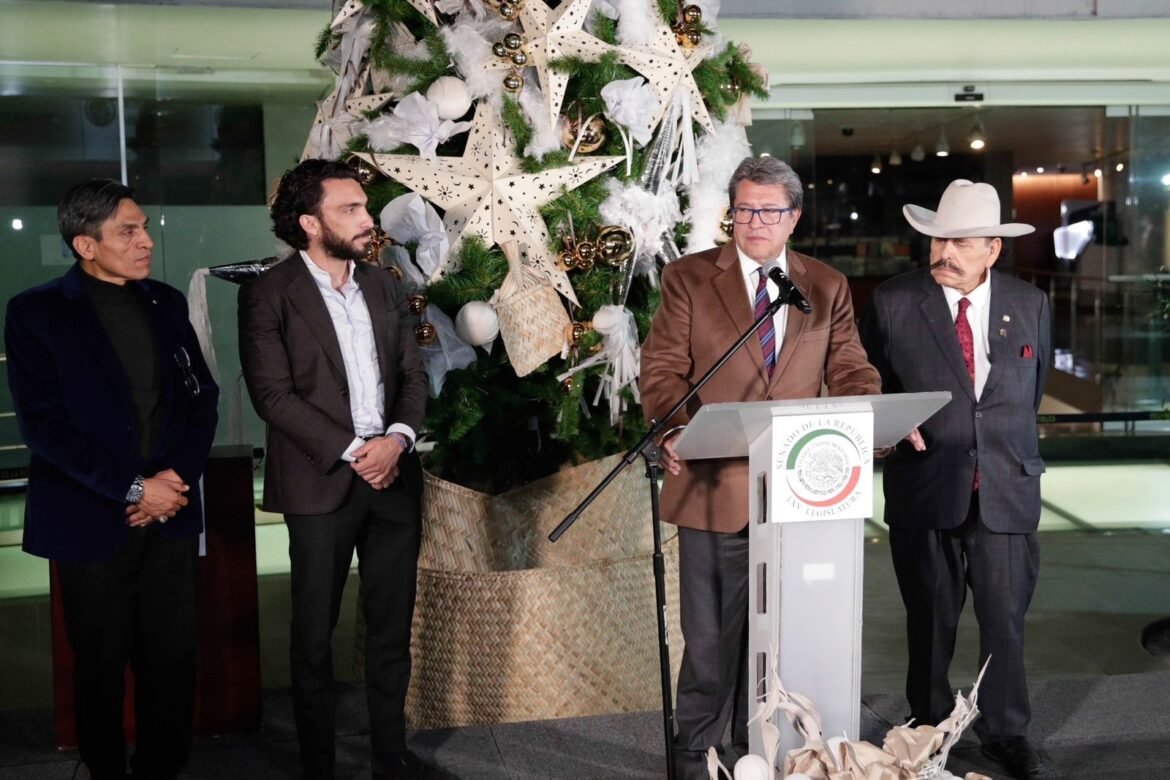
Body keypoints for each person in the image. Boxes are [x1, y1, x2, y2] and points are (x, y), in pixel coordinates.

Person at [639, 155, 881, 777]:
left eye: (769, 211)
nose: (755, 222)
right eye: (744, 209)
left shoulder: (826, 285)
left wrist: (867, 416)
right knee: (710, 640)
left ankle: (768, 746)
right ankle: (695, 750)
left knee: (786, 635)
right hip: (713, 485)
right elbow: (663, 369)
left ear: (793, 217)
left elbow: (849, 367)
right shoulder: (689, 278)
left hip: (799, 494)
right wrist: (674, 425)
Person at [5, 179, 220, 779]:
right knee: (99, 665)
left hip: (169, 513)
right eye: (128, 231)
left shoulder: (166, 303)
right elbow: (44, 426)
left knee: (171, 659)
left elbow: (201, 398)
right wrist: (134, 488)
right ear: (85, 245)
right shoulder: (36, 313)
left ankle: (162, 769)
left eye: (144, 227)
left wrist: (172, 481)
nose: (145, 240)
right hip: (90, 518)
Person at [238, 159, 432, 780]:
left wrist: (397, 440)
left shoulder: (384, 285)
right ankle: (318, 764)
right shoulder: (269, 293)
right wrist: (356, 450)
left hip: (394, 477)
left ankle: (390, 755)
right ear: (309, 222)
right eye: (350, 209)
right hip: (319, 480)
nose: (366, 219)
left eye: (364, 207)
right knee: (313, 635)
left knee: (391, 629)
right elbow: (272, 396)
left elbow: (413, 376)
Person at [859, 179, 1056, 779]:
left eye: (962, 243)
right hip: (925, 487)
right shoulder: (894, 302)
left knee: (1005, 624)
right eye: (938, 240)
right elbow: (871, 386)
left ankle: (1006, 732)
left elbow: (1031, 393)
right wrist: (890, 430)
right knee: (928, 621)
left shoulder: (1030, 304)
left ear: (993, 249)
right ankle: (927, 724)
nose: (945, 252)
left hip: (1006, 487)